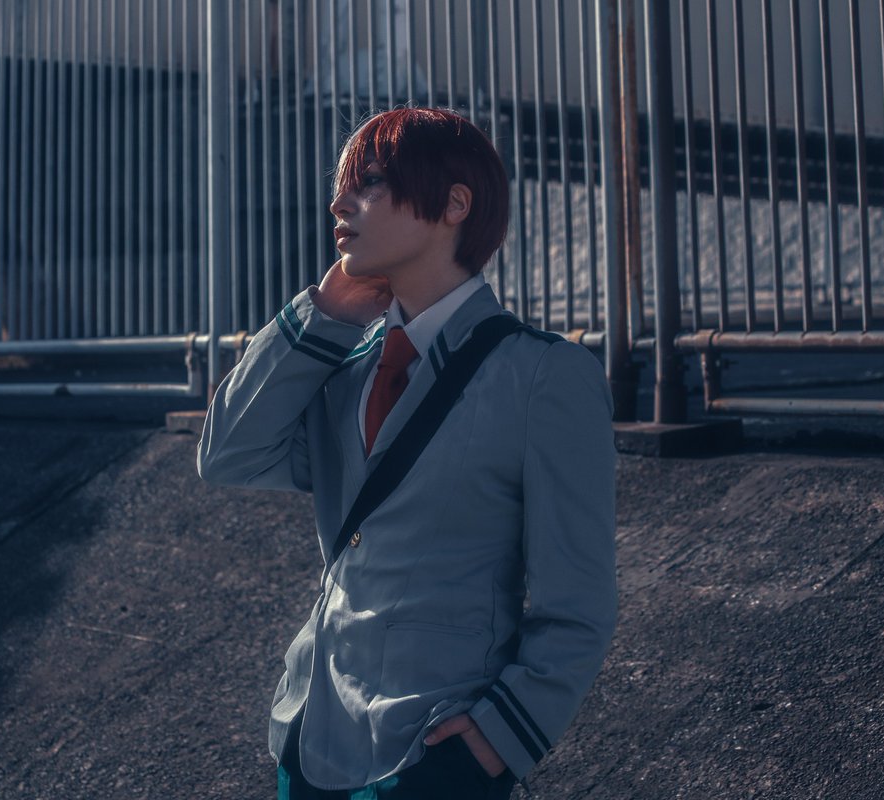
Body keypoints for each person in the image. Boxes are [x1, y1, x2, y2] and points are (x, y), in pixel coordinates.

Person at [198, 107, 617, 799]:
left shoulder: (542, 375)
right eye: (342, 186)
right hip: (312, 736)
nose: (340, 204)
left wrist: (498, 740)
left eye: (370, 182)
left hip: (434, 747)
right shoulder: (343, 366)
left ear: (455, 204)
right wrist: (322, 317)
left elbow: (578, 598)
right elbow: (227, 455)